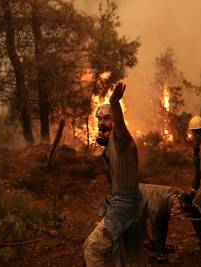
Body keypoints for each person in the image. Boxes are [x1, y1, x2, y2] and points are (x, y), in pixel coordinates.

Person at [83, 82, 145, 267]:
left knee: (92, 248)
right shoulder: (110, 144)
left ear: (116, 120)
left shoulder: (122, 138)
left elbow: (119, 128)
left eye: (107, 118)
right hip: (124, 205)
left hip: (124, 208)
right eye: (99, 119)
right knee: (129, 255)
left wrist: (114, 102)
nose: (102, 123)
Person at [138, 183, 201, 263]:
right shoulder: (157, 208)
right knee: (155, 226)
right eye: (178, 208)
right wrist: (160, 250)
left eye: (181, 211)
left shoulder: (180, 194)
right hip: (135, 198)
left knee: (163, 222)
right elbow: (157, 229)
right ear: (176, 200)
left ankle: (160, 247)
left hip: (150, 195)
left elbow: (192, 211)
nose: (178, 212)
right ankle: (158, 253)